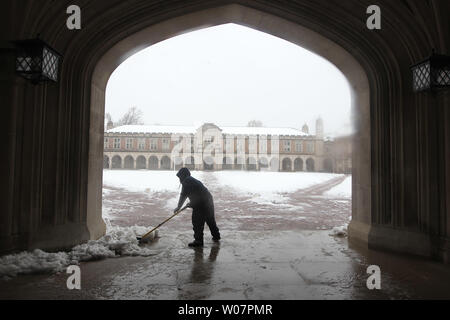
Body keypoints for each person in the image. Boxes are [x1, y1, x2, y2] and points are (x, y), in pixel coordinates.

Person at [174, 167, 221, 247]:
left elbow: (197, 196)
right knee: (210, 220)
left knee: (197, 221)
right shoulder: (188, 180)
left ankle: (198, 241)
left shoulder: (187, 181)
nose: (179, 179)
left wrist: (191, 204)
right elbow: (183, 195)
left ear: (183, 175)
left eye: (180, 177)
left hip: (203, 202)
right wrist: (179, 206)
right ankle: (216, 236)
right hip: (208, 200)